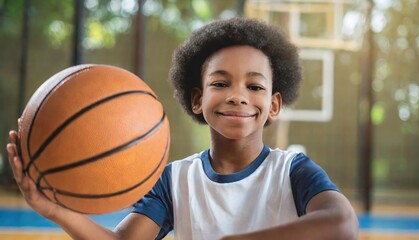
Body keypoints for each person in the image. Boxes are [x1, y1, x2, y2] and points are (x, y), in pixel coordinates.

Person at [7, 17, 358, 240]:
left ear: (274, 106)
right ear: (196, 98)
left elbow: (342, 225)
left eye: (254, 87)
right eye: (221, 84)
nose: (237, 96)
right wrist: (54, 210)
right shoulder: (175, 180)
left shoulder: (292, 170)